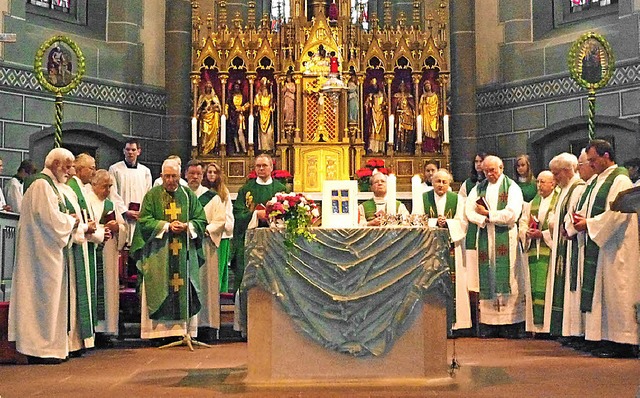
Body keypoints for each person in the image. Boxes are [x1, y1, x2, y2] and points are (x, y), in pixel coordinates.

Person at [8, 148, 86, 364]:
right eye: (68, 166)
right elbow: (50, 220)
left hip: (50, 251)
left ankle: (50, 347)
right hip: (41, 255)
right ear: (56, 165)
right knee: (43, 301)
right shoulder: (41, 184)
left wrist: (69, 221)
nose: (71, 171)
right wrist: (71, 221)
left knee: (51, 302)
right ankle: (41, 349)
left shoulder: (51, 185)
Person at [572, 139, 640, 358]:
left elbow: (618, 213)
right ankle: (602, 338)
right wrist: (580, 220)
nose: (590, 164)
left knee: (618, 292)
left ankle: (622, 341)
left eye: (593, 160)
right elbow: (588, 209)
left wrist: (589, 224)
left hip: (617, 247)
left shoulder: (619, 179)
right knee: (603, 295)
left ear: (606, 156)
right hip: (602, 245)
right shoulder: (597, 180)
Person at [129, 158, 207, 341]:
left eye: (174, 176)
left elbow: (201, 220)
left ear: (180, 176)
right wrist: (165, 226)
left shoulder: (188, 196)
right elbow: (144, 221)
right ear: (161, 176)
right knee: (159, 285)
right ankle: (159, 333)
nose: (171, 180)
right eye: (167, 176)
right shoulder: (152, 195)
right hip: (159, 253)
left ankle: (183, 332)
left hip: (183, 251)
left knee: (183, 286)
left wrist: (188, 226)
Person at [465, 155, 525, 339]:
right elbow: (468, 210)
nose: (489, 174)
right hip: (485, 234)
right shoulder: (478, 188)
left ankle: (510, 323)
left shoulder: (512, 187)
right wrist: (482, 219)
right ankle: (490, 323)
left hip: (505, 236)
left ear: (501, 168)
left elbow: (512, 214)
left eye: (492, 170)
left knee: (509, 275)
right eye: (485, 170)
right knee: (488, 275)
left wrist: (489, 215)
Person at [417, 168, 471, 332]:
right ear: (432, 182)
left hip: (452, 246)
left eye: (444, 182)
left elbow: (463, 222)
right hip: (429, 247)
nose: (441, 185)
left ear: (449, 184)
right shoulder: (423, 198)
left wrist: (447, 223)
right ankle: (432, 324)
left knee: (456, 282)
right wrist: (434, 223)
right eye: (437, 181)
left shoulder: (458, 199)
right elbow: (417, 218)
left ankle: (457, 325)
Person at [231, 154, 287, 292]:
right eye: (258, 166)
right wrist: (256, 214)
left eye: (264, 165)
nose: (261, 168)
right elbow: (238, 213)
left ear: (271, 167)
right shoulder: (246, 189)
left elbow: (287, 213)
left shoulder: (280, 189)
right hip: (250, 241)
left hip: (273, 240)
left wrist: (270, 216)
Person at [546, 153, 586, 344]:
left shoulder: (577, 188)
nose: (554, 178)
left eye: (556, 174)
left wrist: (563, 226)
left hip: (571, 244)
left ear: (567, 171)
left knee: (572, 288)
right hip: (563, 243)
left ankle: (574, 331)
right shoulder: (565, 189)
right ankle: (566, 330)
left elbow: (573, 215)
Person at [86, 170, 125, 345]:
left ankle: (107, 330)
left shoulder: (110, 205)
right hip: (93, 249)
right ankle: (94, 330)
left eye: (110, 186)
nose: (108, 190)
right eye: (104, 186)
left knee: (107, 289)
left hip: (108, 252)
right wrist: (103, 226)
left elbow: (122, 227)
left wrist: (118, 228)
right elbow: (88, 226)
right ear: (94, 185)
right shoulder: (87, 201)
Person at [519, 170, 559, 335]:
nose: (539, 185)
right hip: (533, 250)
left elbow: (557, 224)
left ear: (553, 183)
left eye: (543, 182)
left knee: (548, 288)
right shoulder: (532, 203)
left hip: (548, 251)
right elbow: (522, 221)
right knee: (534, 288)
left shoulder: (557, 201)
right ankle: (536, 328)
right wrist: (526, 232)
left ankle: (549, 328)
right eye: (538, 182)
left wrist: (542, 234)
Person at [195, 162, 227, 343]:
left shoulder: (213, 198)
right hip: (188, 244)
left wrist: (206, 230)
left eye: (198, 174)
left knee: (208, 286)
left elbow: (220, 220)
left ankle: (208, 326)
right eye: (191, 173)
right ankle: (191, 325)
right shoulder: (183, 195)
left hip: (207, 244)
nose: (195, 177)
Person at [458, 152, 487, 333]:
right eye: (475, 161)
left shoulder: (496, 185)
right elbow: (463, 210)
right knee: (472, 277)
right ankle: (475, 319)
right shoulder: (467, 185)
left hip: (490, 230)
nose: (478, 165)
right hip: (472, 233)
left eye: (481, 161)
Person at [108, 138, 153, 246]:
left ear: (139, 151)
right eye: (128, 149)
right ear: (124, 151)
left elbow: (149, 194)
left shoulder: (145, 171)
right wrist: (124, 211)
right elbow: (112, 193)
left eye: (133, 150)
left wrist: (143, 212)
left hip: (140, 218)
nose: (130, 152)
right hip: (123, 217)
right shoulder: (115, 169)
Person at [203, 161, 234, 294]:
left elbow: (228, 212)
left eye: (214, 172)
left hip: (221, 234)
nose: (212, 174)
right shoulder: (202, 191)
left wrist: (222, 227)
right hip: (206, 233)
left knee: (220, 267)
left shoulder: (223, 191)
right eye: (209, 172)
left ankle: (220, 293)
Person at [197, 81, 222, 155]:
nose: (208, 88)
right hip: (205, 118)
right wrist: (203, 111)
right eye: (207, 87)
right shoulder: (202, 97)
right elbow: (198, 108)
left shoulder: (214, 97)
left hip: (213, 118)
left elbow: (219, 108)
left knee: (213, 135)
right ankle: (205, 149)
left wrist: (214, 108)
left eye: (209, 87)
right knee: (205, 133)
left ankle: (212, 149)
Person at [364, 78, 386, 154]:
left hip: (380, 114)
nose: (374, 87)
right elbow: (367, 105)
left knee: (381, 131)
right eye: (373, 85)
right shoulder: (371, 95)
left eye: (375, 85)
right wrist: (369, 102)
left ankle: (380, 148)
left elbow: (385, 103)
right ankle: (372, 148)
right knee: (373, 130)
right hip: (373, 114)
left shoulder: (381, 94)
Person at [393, 81, 415, 154]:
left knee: (407, 133)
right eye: (401, 86)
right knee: (399, 133)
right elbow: (394, 108)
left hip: (408, 117)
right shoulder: (396, 96)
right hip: (400, 117)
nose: (402, 88)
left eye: (403, 86)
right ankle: (399, 148)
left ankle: (407, 148)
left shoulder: (409, 96)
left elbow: (412, 107)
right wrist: (398, 111)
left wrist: (410, 114)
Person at [419, 80, 439, 153]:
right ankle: (426, 147)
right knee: (426, 131)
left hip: (432, 116)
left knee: (433, 130)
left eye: (429, 85)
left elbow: (436, 106)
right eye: (426, 86)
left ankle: (434, 147)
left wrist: (430, 108)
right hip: (425, 116)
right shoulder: (423, 96)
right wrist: (424, 105)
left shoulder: (434, 96)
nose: (428, 87)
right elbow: (419, 107)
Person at [228, 81, 248, 154]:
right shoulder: (231, 97)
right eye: (235, 86)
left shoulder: (243, 96)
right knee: (234, 133)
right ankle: (237, 149)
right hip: (233, 115)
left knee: (240, 132)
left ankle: (244, 148)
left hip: (241, 115)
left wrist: (242, 108)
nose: (237, 88)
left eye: (238, 86)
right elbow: (229, 104)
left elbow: (247, 104)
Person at [254, 78, 274, 151]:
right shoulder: (259, 97)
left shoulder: (270, 97)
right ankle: (263, 148)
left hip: (268, 115)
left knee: (269, 132)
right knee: (262, 134)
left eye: (266, 89)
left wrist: (272, 106)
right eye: (263, 89)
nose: (265, 91)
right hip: (261, 115)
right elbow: (256, 105)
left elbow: (272, 105)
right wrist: (258, 107)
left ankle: (270, 148)